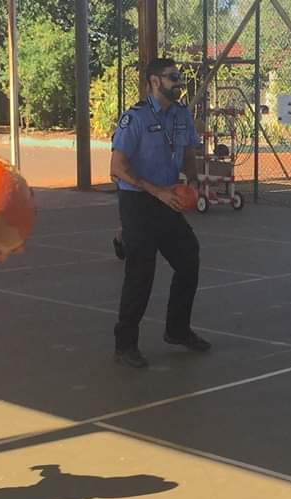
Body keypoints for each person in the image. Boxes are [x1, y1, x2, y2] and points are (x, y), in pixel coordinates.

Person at [108, 57, 211, 368]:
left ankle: (177, 330)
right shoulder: (134, 118)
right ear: (154, 81)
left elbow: (189, 152)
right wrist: (156, 191)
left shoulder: (181, 115)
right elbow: (116, 168)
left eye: (179, 76)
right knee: (141, 272)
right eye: (172, 77)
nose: (178, 82)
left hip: (169, 199)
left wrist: (191, 181)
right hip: (138, 202)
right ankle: (125, 345)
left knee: (188, 258)